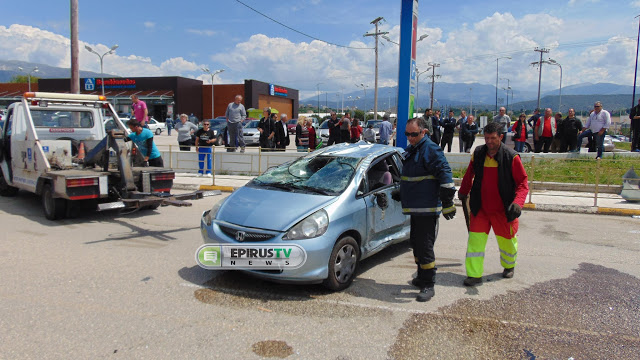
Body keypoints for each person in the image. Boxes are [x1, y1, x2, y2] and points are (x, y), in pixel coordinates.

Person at [390, 117, 456, 302]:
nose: (410, 137)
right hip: (416, 208)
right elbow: (413, 177)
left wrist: (448, 203)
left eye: (414, 134)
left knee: (425, 247)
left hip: (426, 208)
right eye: (407, 134)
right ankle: (421, 277)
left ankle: (429, 284)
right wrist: (402, 192)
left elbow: (445, 176)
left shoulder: (431, 149)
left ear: (424, 132)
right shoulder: (414, 149)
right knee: (416, 244)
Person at [458, 122, 529, 287]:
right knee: (475, 243)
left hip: (503, 210)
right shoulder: (479, 153)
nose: (489, 141)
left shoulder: (511, 157)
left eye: (493, 138)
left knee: (507, 243)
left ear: (501, 137)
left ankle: (509, 265)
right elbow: (469, 174)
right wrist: (463, 191)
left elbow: (522, 183)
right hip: (480, 208)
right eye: (487, 138)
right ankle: (474, 275)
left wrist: (518, 204)